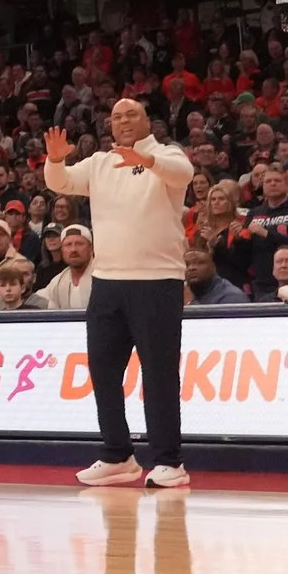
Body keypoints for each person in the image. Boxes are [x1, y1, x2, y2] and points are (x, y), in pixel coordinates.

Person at [45, 106, 192, 488]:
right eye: (116, 116)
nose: (123, 120)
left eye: (131, 114)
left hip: (157, 280)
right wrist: (55, 159)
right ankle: (117, 453)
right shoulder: (98, 163)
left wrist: (147, 159)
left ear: (147, 122)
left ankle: (169, 461)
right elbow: (60, 182)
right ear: (109, 125)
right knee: (103, 369)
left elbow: (184, 174)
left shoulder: (168, 156)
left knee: (158, 374)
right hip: (107, 282)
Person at [34, 225, 95, 311]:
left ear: (91, 249)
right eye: (68, 245)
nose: (73, 249)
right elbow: (38, 298)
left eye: (79, 244)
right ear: (62, 250)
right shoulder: (59, 281)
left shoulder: (102, 277)